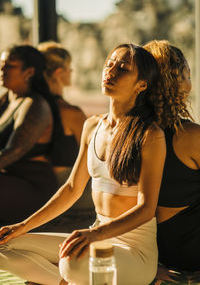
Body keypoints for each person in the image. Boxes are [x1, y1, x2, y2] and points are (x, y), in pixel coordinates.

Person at [0, 43, 166, 285]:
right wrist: (22, 226)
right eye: (109, 64)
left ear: (142, 84)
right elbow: (71, 189)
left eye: (123, 68)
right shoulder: (92, 126)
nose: (111, 71)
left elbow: (146, 209)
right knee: (5, 245)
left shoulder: (150, 135)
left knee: (71, 262)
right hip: (95, 238)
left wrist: (94, 234)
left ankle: (64, 278)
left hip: (133, 251)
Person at [144, 40, 200, 281]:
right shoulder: (189, 136)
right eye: (186, 75)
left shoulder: (125, 133)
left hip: (149, 252)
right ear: (175, 83)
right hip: (191, 252)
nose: (190, 83)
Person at [0, 44, 62, 226]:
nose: (2, 70)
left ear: (29, 72)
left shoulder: (35, 105)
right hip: (10, 182)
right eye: (1, 64)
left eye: (9, 66)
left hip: (32, 188)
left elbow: (12, 152)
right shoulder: (6, 99)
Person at [38, 41, 86, 184]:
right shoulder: (71, 113)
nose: (71, 72)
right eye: (69, 68)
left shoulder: (30, 104)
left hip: (34, 183)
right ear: (59, 72)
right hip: (63, 184)